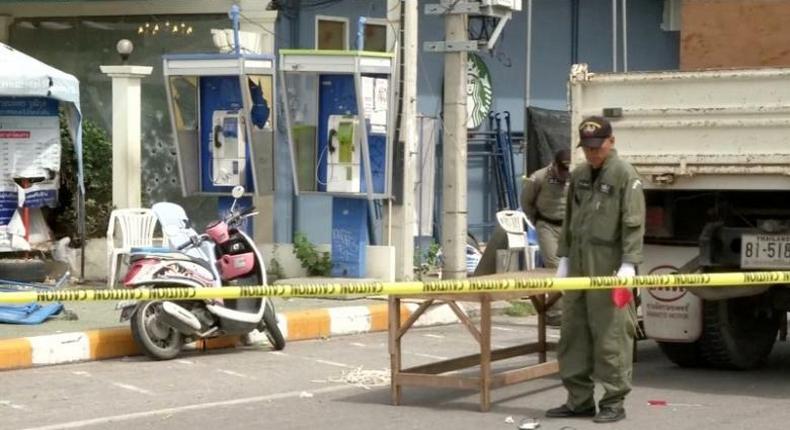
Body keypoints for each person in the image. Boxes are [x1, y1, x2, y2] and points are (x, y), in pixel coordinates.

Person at [545, 116, 645, 424]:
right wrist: (563, 258)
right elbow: (570, 219)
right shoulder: (580, 174)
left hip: (611, 265)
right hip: (578, 264)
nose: (592, 154)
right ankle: (579, 400)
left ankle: (614, 400)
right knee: (573, 333)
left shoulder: (625, 175)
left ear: (611, 142)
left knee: (612, 335)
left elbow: (633, 222)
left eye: (597, 147)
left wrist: (629, 264)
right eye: (587, 149)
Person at [521, 148, 570, 325]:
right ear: (554, 165)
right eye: (562, 170)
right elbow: (526, 202)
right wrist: (537, 221)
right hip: (547, 225)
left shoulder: (577, 177)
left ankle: (571, 310)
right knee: (555, 267)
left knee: (574, 267)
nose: (565, 175)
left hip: (568, 226)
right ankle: (556, 312)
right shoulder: (539, 178)